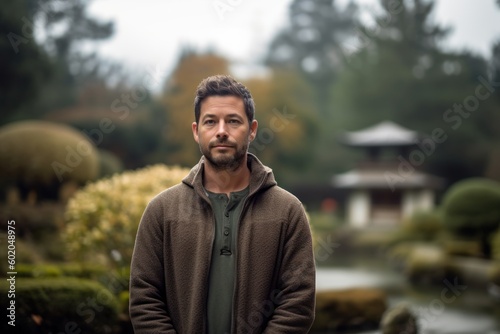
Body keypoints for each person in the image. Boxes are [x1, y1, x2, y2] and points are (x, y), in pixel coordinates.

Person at [129, 74, 316, 334]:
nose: (221, 131)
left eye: (233, 121)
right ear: (196, 131)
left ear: (252, 129)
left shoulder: (287, 211)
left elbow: (298, 302)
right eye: (210, 121)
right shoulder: (162, 211)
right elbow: (144, 298)